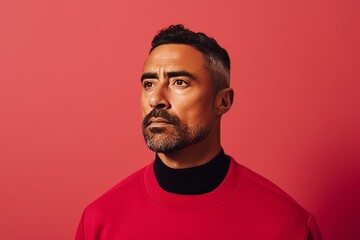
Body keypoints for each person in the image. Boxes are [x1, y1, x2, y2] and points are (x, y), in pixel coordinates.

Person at [75, 24, 322, 239]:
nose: (156, 99)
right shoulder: (99, 221)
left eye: (179, 82)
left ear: (222, 102)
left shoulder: (288, 225)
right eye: (149, 84)